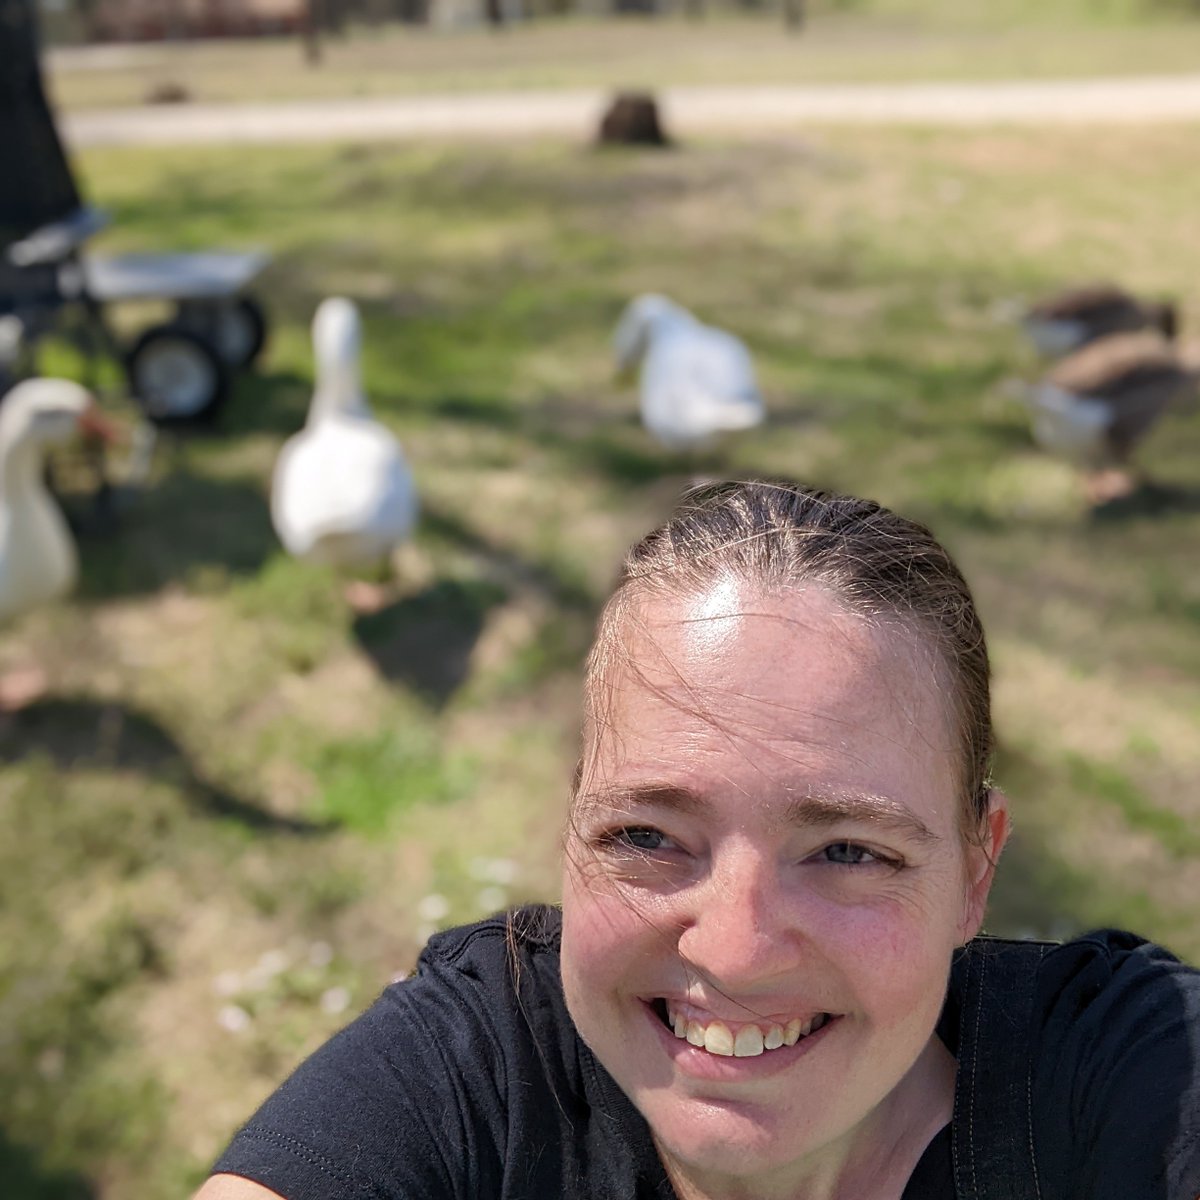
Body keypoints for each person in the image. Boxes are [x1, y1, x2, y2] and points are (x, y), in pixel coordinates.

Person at [197, 480, 1200, 1200]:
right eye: (646, 833)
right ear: (571, 825)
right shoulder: (480, 1081)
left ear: (976, 871)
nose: (733, 949)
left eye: (849, 850)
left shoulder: (1122, 1086)